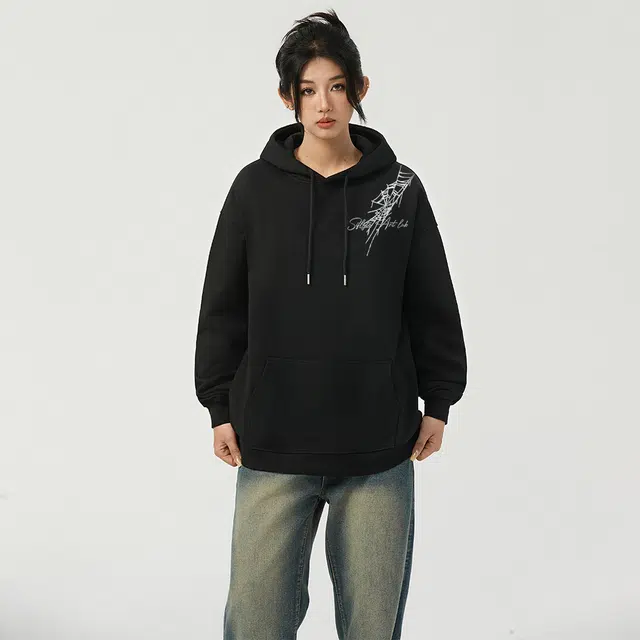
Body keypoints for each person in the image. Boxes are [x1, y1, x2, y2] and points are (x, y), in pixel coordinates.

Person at [194, 9, 467, 639]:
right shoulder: (254, 191)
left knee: (372, 628)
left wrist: (440, 401)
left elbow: (431, 301)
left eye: (338, 87)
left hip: (378, 447)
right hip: (272, 442)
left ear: (360, 89)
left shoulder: (400, 189)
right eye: (309, 89)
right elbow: (222, 306)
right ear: (288, 97)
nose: (324, 104)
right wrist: (218, 405)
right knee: (254, 624)